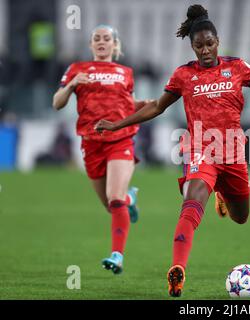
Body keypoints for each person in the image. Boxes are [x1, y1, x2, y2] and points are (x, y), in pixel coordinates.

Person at [95, 5, 250, 297]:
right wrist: (116, 125)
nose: (204, 50)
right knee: (193, 198)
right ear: (192, 46)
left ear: (218, 42)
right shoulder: (184, 75)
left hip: (234, 155)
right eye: (198, 46)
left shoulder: (237, 67)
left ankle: (223, 196)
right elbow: (156, 107)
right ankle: (178, 270)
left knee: (241, 217)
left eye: (209, 44)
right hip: (201, 151)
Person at [52, 25, 149, 274]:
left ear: (115, 44)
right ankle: (131, 198)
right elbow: (57, 103)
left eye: (107, 38)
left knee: (115, 199)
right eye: (97, 39)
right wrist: (72, 84)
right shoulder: (77, 69)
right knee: (110, 205)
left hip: (120, 139)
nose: (102, 42)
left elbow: (127, 104)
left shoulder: (125, 72)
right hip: (91, 143)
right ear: (91, 44)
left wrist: (143, 105)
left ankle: (117, 255)